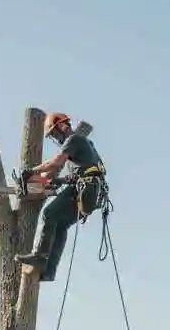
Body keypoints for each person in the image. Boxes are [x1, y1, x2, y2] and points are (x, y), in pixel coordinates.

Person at [14, 112, 107, 282]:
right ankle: (49, 271)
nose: (56, 139)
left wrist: (31, 171)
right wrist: (55, 180)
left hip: (83, 188)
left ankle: (39, 257)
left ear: (63, 126)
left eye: (55, 134)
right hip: (91, 194)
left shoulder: (74, 140)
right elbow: (68, 172)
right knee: (60, 225)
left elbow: (56, 163)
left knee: (48, 214)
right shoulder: (86, 147)